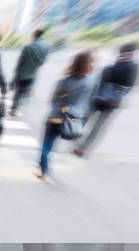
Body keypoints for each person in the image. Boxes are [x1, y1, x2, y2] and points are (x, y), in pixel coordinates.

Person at [37, 50, 96, 180]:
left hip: (55, 116)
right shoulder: (90, 83)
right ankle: (44, 166)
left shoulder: (63, 81)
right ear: (89, 64)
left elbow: (52, 99)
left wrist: (58, 107)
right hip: (71, 118)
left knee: (46, 144)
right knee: (53, 144)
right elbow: (87, 103)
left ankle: (43, 170)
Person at [74, 43, 139, 157]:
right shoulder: (134, 67)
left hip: (97, 100)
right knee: (98, 127)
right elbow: (129, 87)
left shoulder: (109, 67)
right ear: (132, 53)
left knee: (84, 120)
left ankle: (73, 138)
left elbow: (97, 84)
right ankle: (83, 149)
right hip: (113, 103)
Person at [10, 29, 50, 117]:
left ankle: (14, 109)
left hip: (22, 73)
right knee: (27, 90)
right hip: (34, 73)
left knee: (18, 92)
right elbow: (43, 61)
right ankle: (20, 107)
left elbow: (20, 61)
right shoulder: (47, 46)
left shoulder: (28, 46)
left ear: (35, 34)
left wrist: (16, 73)